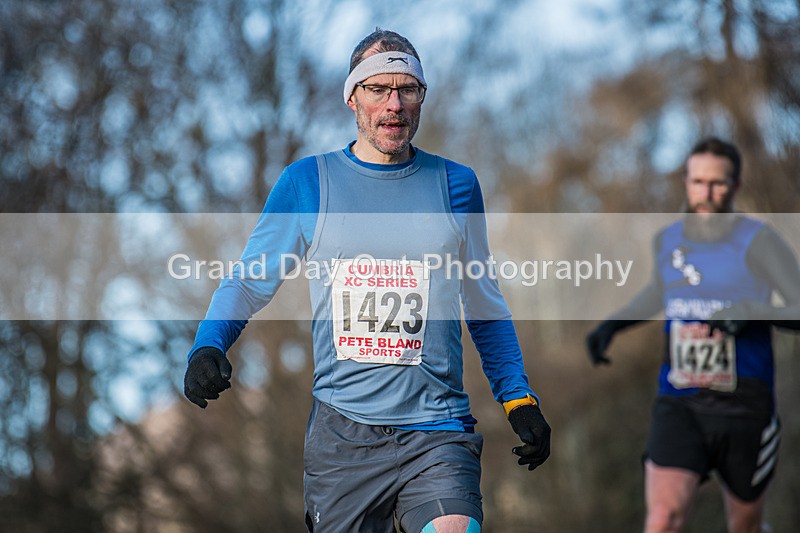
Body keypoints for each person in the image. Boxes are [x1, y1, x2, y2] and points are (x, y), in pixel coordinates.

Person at [183, 29, 550, 533]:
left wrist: (518, 397)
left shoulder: (457, 185)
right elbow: (248, 282)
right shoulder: (307, 183)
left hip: (437, 429)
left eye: (408, 89)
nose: (394, 104)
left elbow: (484, 304)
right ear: (352, 97)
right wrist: (208, 345)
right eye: (378, 89)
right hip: (343, 436)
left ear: (422, 97)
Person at [586, 137, 800, 533]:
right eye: (698, 181)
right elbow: (659, 293)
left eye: (717, 183)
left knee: (745, 527)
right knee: (663, 520)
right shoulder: (668, 241)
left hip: (745, 407)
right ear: (686, 181)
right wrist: (612, 325)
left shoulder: (759, 241)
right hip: (680, 402)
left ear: (735, 186)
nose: (706, 193)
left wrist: (753, 311)